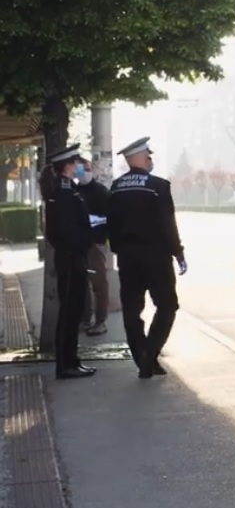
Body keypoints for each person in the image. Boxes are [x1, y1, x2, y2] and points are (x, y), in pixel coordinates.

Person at [106, 137, 186, 379]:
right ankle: (149, 355)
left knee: (132, 309)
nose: (151, 160)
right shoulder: (158, 186)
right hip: (156, 257)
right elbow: (167, 223)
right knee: (167, 305)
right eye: (148, 156)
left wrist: (120, 249)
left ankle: (142, 358)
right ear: (140, 158)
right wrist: (178, 252)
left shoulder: (116, 187)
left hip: (127, 257)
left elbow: (111, 224)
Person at [42, 144, 97, 380]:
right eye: (76, 163)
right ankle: (66, 365)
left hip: (72, 257)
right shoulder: (64, 193)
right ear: (67, 166)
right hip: (72, 257)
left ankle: (71, 361)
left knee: (73, 311)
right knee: (70, 312)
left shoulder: (65, 189)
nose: (79, 167)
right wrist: (84, 242)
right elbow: (67, 230)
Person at [75, 157, 112, 336]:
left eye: (87, 169)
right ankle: (85, 318)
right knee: (81, 285)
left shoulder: (101, 191)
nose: (84, 173)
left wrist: (94, 225)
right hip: (78, 245)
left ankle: (100, 321)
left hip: (95, 244)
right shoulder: (74, 191)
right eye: (81, 170)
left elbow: (110, 217)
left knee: (99, 284)